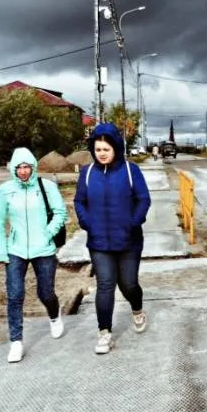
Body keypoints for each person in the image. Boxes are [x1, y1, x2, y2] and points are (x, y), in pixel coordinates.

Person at [74, 123, 151, 354]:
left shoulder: (130, 170)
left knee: (128, 284)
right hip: (99, 242)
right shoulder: (87, 173)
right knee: (105, 285)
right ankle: (104, 333)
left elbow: (143, 199)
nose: (102, 153)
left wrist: (133, 222)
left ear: (115, 148)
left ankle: (137, 308)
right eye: (98, 149)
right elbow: (79, 201)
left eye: (106, 149)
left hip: (128, 240)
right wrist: (87, 222)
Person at [0, 147, 68, 363]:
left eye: (27, 167)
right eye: (19, 167)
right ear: (13, 169)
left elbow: (60, 212)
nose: (23, 171)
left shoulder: (47, 187)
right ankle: (16, 342)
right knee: (15, 295)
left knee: (46, 293)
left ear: (33, 167)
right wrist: (1, 251)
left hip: (43, 249)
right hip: (15, 250)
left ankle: (54, 316)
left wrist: (48, 234)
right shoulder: (5, 190)